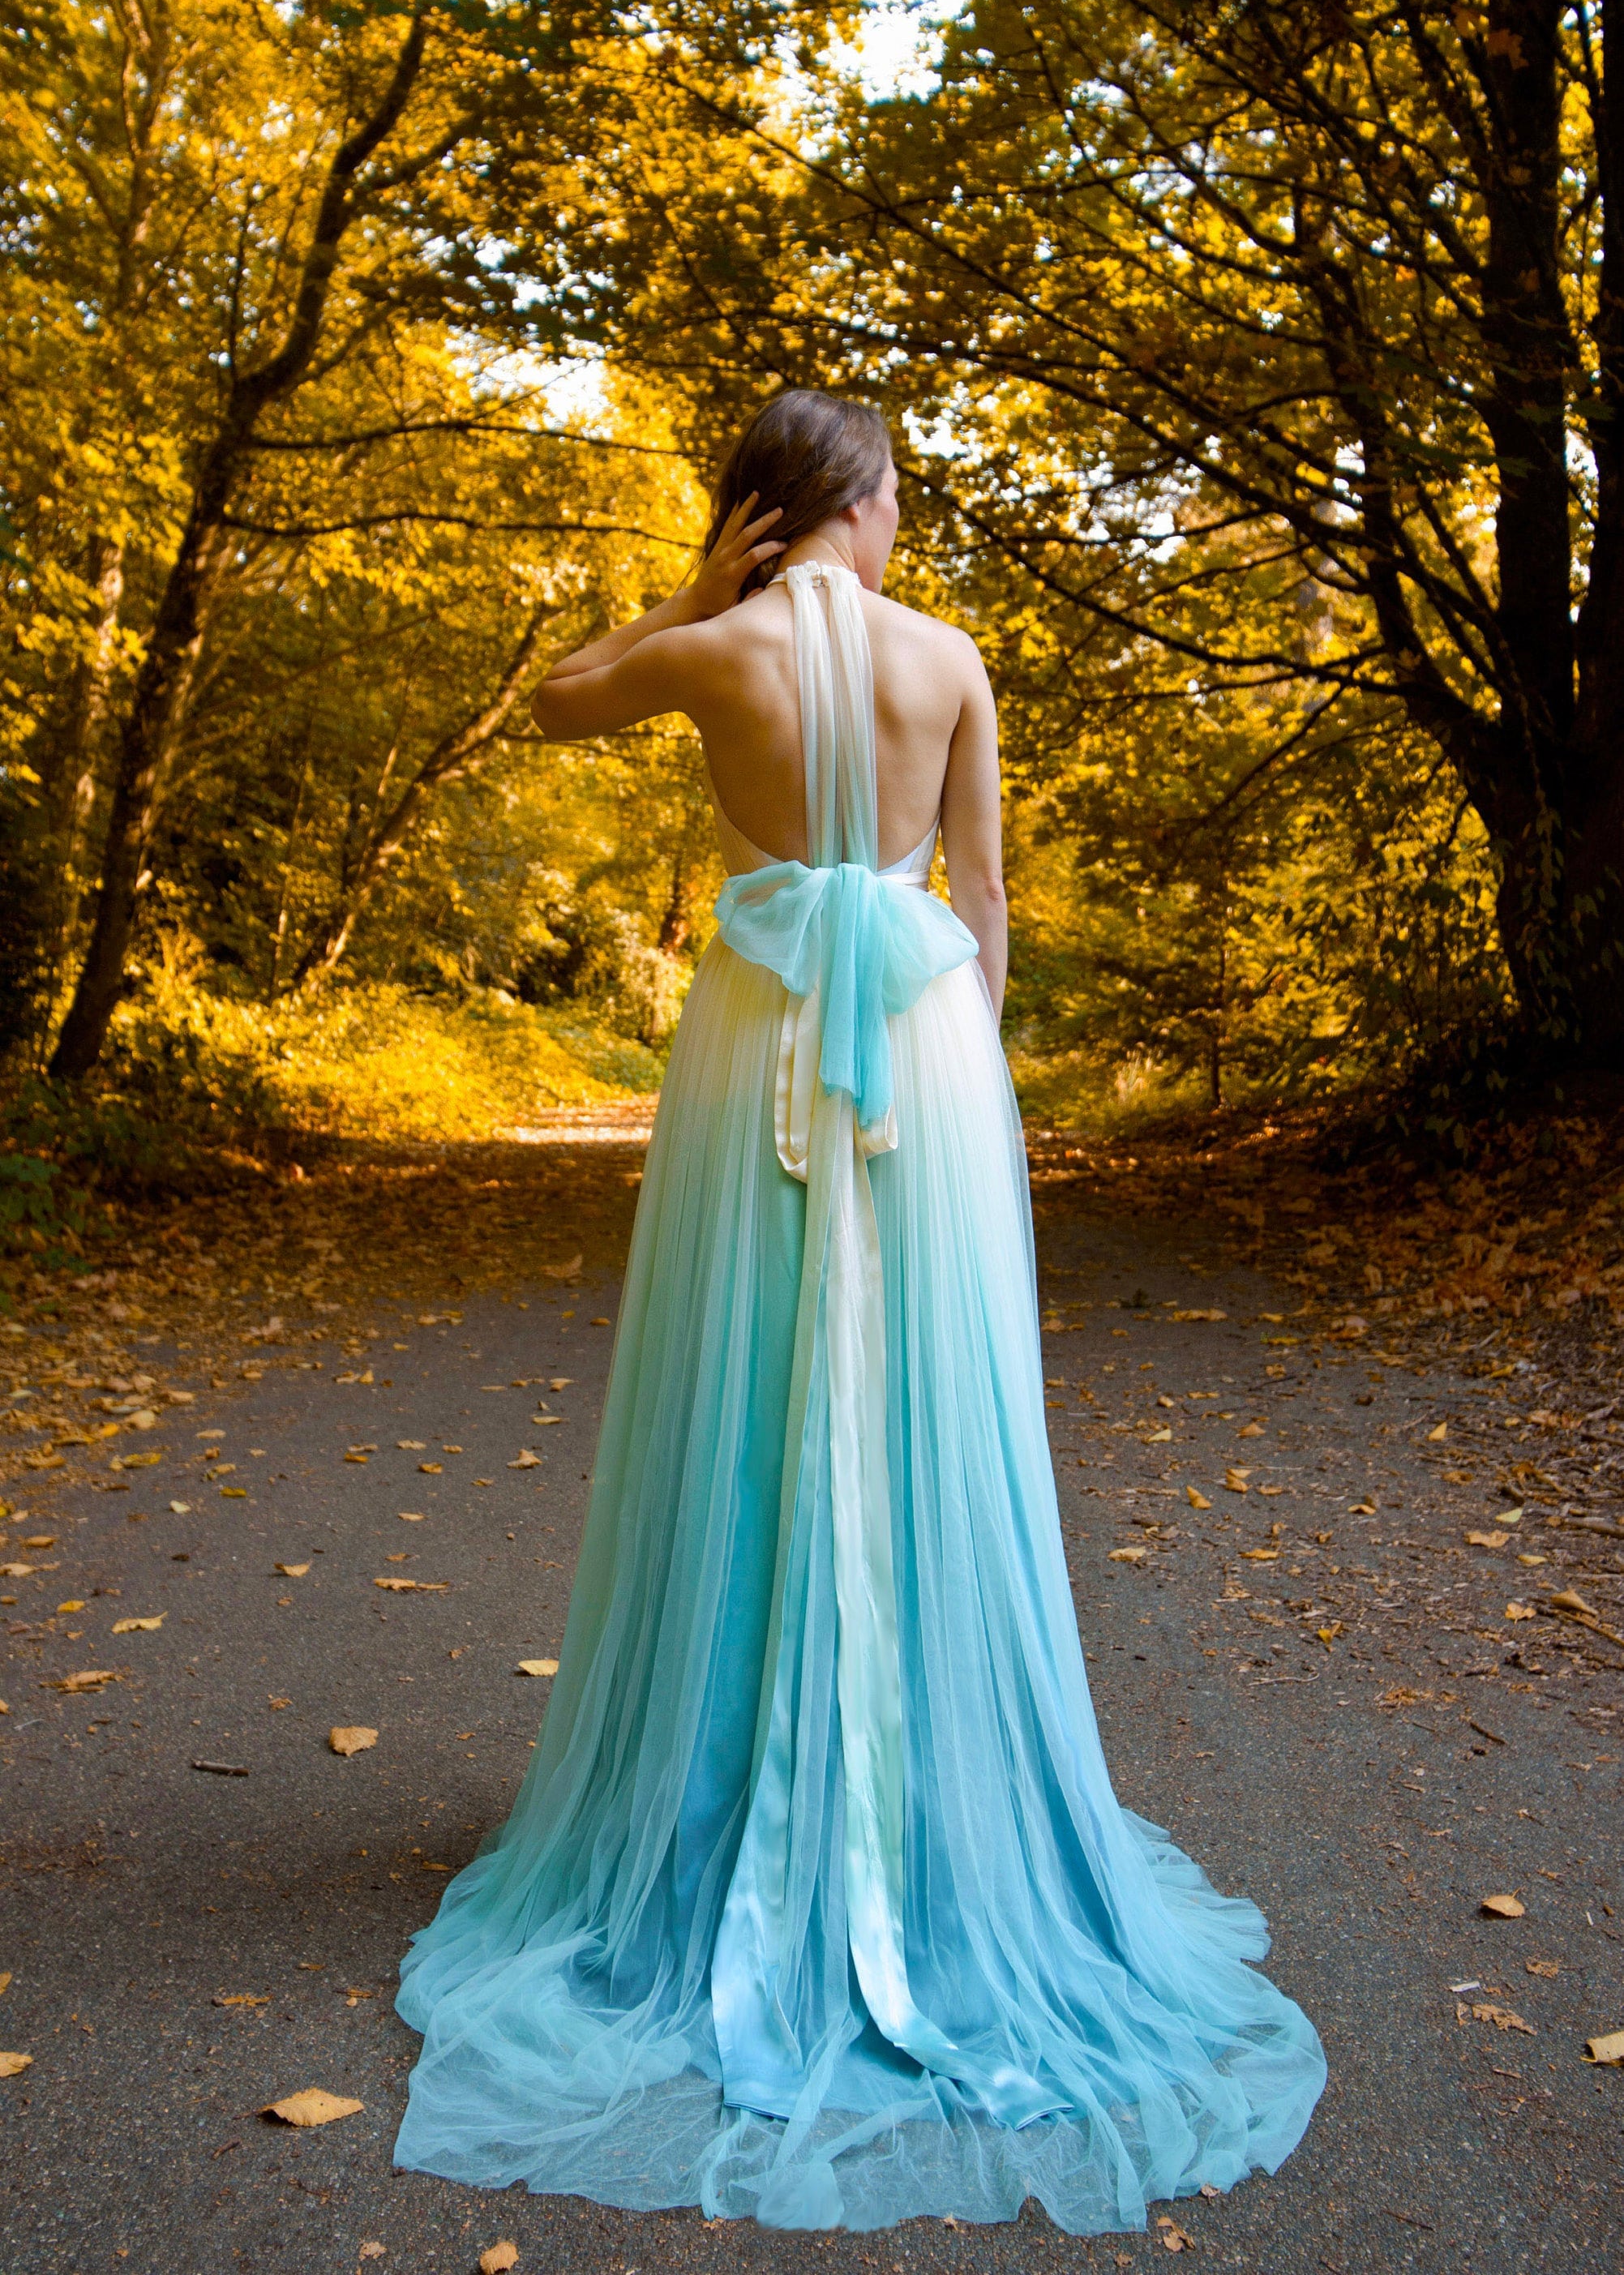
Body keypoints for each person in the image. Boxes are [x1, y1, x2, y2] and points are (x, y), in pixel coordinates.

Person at [392, 389, 1326, 2233]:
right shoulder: (950, 656)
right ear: (869, 501)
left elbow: (554, 702)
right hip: (924, 1054)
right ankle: (929, 1815)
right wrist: (970, 1096)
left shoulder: (716, 651)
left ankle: (726, 1792)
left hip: (759, 1053)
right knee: (919, 1413)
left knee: (744, 1395)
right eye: (891, 498)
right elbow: (980, 895)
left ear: (756, 518)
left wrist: (677, 599)